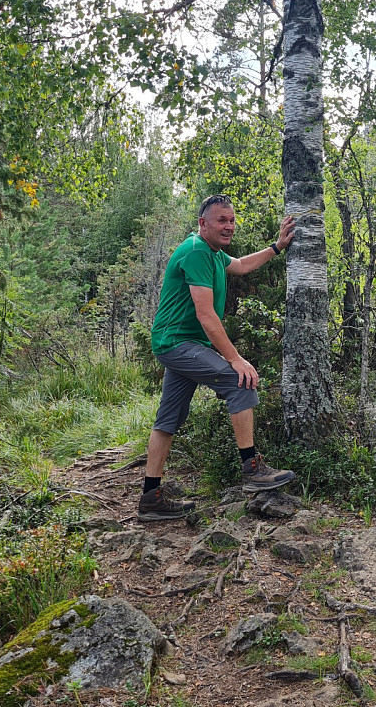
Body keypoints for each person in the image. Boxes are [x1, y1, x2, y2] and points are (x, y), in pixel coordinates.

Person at [138, 194, 298, 521]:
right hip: (177, 343)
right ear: (203, 223)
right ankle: (252, 469)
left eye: (231, 220)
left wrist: (277, 247)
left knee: (168, 420)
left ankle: (150, 497)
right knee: (240, 382)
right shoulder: (197, 251)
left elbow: (240, 265)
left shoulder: (212, 253)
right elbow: (206, 315)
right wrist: (236, 359)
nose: (228, 226)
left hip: (178, 344)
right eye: (221, 220)